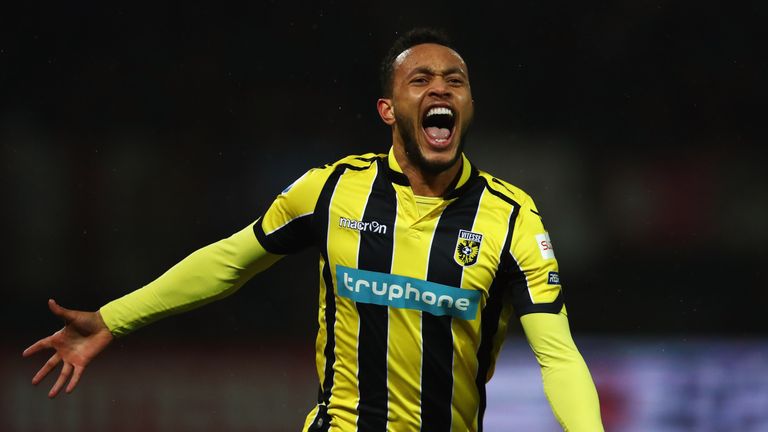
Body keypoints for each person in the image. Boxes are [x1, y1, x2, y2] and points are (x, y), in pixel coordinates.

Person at [24, 28, 604, 431]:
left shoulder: (512, 218)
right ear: (387, 108)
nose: (440, 90)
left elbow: (558, 355)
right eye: (420, 79)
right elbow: (230, 261)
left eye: (454, 81)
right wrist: (112, 318)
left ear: (469, 103)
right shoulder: (330, 191)